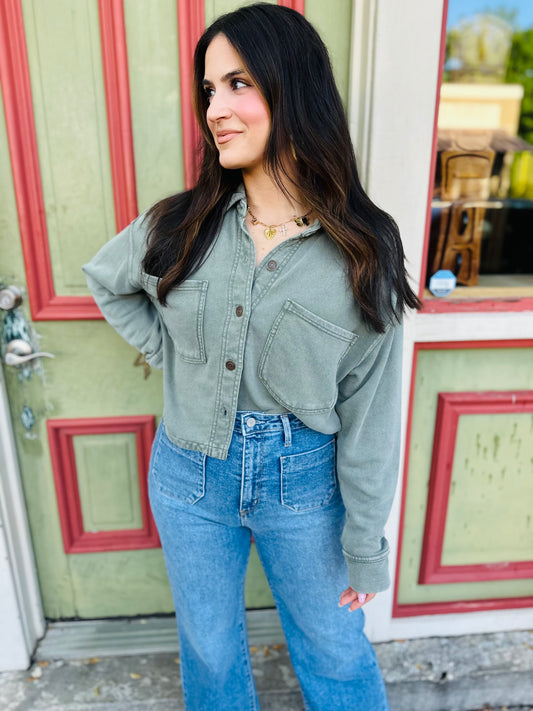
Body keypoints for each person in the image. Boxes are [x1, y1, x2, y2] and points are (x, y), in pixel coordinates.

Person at [83, 3, 420, 709]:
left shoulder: (364, 248)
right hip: (187, 475)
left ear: (292, 87)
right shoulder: (180, 224)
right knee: (208, 648)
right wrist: (174, 353)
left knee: (333, 647)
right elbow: (107, 280)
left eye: (238, 84)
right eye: (209, 90)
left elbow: (372, 414)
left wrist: (364, 543)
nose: (215, 109)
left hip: (305, 483)